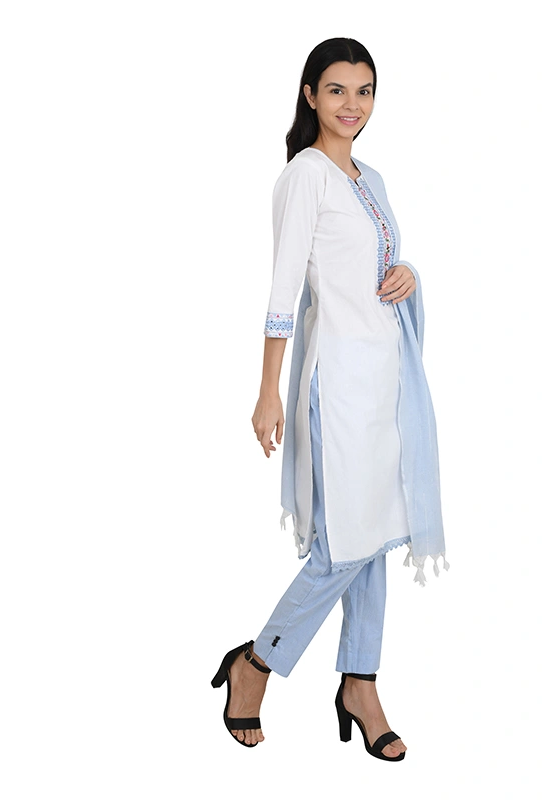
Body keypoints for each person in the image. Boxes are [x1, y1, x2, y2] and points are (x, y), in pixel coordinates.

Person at [211, 37, 447, 762]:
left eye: (364, 90)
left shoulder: (371, 178)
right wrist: (267, 391)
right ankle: (259, 661)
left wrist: (406, 272)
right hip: (335, 383)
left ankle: (360, 682)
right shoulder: (305, 176)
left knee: (375, 534)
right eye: (337, 89)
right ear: (311, 94)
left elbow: (374, 266)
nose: (352, 104)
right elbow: (284, 292)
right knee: (343, 542)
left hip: (388, 383)